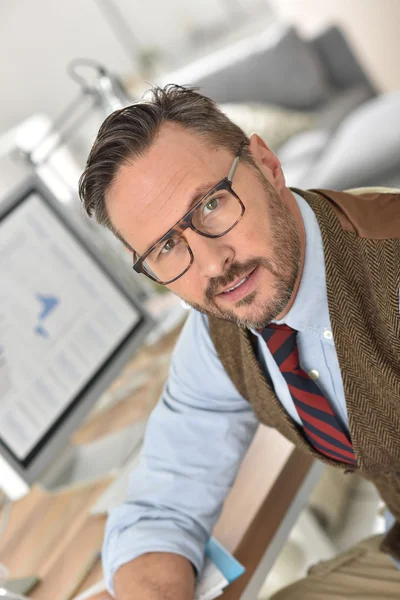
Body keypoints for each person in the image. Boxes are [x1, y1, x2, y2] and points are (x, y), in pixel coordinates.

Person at [78, 85, 400, 600]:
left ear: (268, 165)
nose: (211, 264)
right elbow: (162, 508)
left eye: (210, 204)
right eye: (166, 247)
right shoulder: (220, 331)